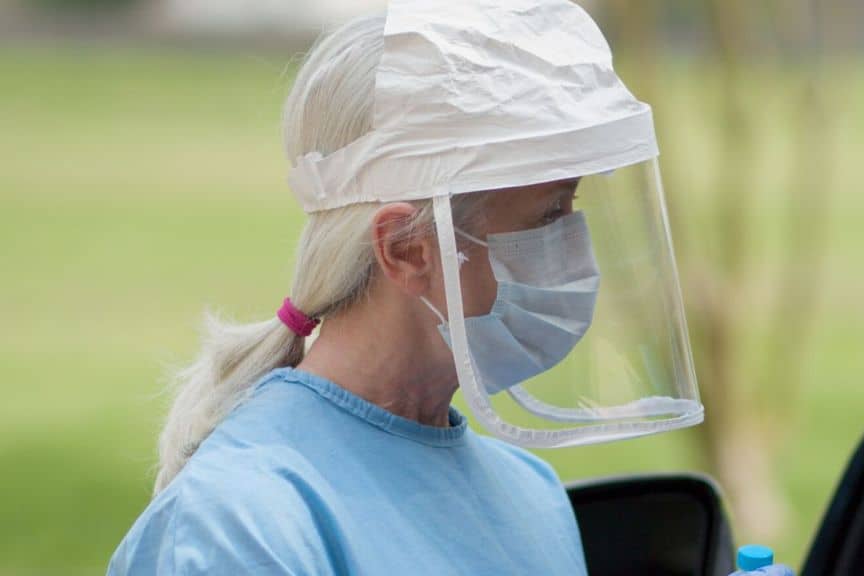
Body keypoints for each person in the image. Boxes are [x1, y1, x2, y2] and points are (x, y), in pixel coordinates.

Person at [108, 0, 792, 573]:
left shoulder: (528, 494)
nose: (575, 248)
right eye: (550, 213)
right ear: (407, 249)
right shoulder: (243, 522)